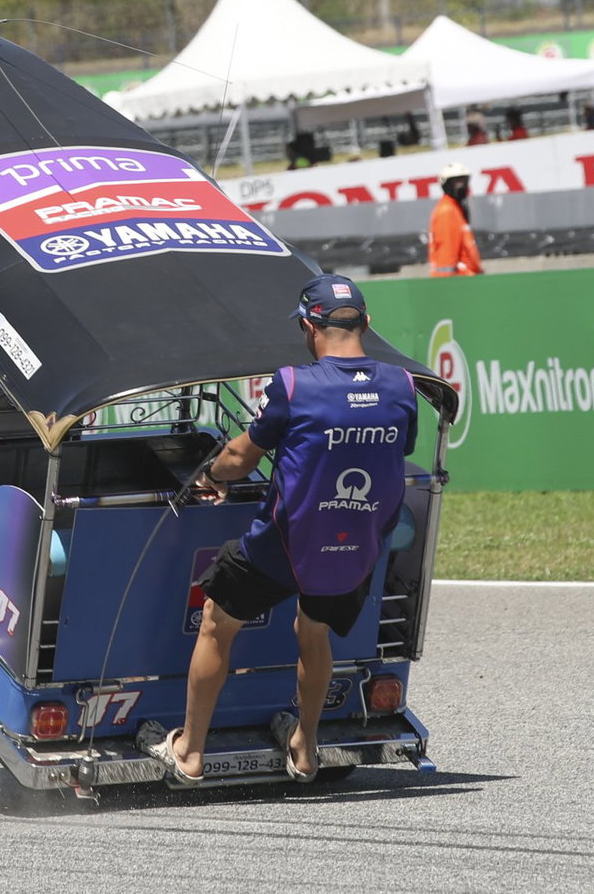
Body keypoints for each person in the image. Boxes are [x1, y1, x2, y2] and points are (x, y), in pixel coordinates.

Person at [142, 274, 418, 785]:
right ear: (367, 323)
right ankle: (305, 747)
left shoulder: (294, 384)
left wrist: (207, 475)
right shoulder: (402, 386)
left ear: (310, 327)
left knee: (216, 621)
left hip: (284, 545)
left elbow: (238, 460)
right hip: (354, 548)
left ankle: (191, 750)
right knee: (312, 633)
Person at [427, 162, 483, 278]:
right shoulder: (447, 211)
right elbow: (446, 254)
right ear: (447, 184)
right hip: (458, 282)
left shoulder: (455, 209)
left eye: (463, 181)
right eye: (457, 182)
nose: (461, 187)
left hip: (466, 278)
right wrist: (449, 286)